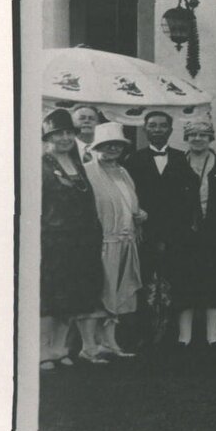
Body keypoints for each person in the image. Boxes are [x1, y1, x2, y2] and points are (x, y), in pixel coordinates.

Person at [41, 109, 105, 368]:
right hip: (54, 241)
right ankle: (43, 352)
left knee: (72, 296)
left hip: (81, 242)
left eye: (69, 132)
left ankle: (60, 349)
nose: (65, 138)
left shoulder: (77, 164)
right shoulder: (42, 165)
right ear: (49, 137)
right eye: (59, 134)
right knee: (50, 296)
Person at [124, 110, 191, 350]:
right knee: (145, 282)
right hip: (145, 233)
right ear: (145, 129)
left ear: (171, 130)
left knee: (174, 281)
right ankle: (144, 333)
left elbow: (189, 198)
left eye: (163, 126)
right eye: (152, 125)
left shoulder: (183, 158)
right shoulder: (133, 160)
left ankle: (172, 334)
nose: (158, 129)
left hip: (176, 233)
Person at [169, 118, 216, 348]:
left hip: (215, 233)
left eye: (203, 135)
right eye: (192, 135)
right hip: (185, 235)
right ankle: (184, 336)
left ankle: (212, 335)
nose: (197, 139)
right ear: (186, 138)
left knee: (214, 281)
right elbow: (169, 203)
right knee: (185, 282)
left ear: (211, 138)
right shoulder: (176, 164)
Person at [86, 123, 145, 358]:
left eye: (117, 145)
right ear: (96, 147)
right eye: (106, 145)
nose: (112, 149)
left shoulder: (123, 172)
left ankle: (110, 341)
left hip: (126, 240)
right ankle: (89, 345)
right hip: (102, 241)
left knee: (118, 291)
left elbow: (129, 204)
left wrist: (140, 214)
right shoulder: (88, 171)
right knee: (100, 291)